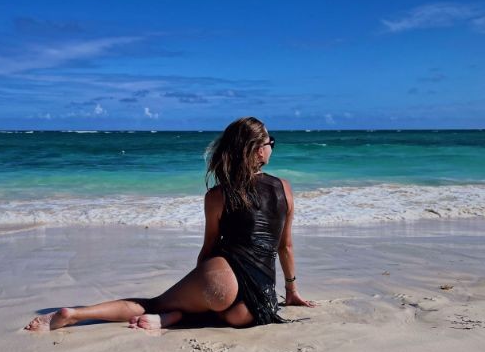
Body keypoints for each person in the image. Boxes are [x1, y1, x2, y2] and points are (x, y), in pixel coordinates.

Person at [24, 116, 313, 332]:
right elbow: (285, 246)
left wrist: (202, 284)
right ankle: (176, 317)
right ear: (259, 151)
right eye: (270, 143)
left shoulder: (218, 195)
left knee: (154, 303)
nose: (271, 147)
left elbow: (209, 249)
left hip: (222, 275)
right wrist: (291, 291)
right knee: (221, 314)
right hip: (256, 303)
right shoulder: (284, 188)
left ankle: (76, 314)